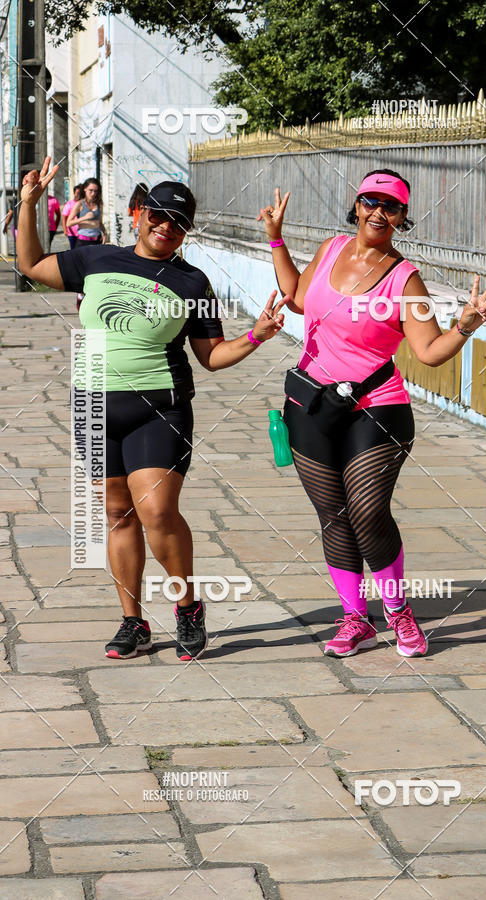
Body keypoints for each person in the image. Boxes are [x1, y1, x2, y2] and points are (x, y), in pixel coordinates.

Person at [17, 158, 287, 661]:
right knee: (118, 514)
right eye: (158, 216)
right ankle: (133, 621)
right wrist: (30, 203)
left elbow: (210, 356)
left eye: (179, 222)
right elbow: (31, 265)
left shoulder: (193, 283)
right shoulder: (95, 260)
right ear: (137, 213)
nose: (167, 227)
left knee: (158, 512)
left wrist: (255, 336)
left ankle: (187, 606)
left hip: (159, 408)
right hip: (95, 407)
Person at [258, 169, 486, 659]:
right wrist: (276, 239)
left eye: (391, 207)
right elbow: (299, 299)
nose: (379, 213)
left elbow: (428, 351)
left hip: (377, 407)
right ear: (358, 204)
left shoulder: (406, 280)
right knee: (334, 516)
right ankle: (354, 619)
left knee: (367, 512)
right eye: (371, 201)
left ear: (404, 217)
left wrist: (466, 325)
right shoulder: (331, 248)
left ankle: (398, 612)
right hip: (312, 402)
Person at [67, 177, 106, 245]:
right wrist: (84, 218)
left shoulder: (99, 204)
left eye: (95, 191)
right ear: (85, 189)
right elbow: (68, 223)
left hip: (97, 241)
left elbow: (100, 223)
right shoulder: (79, 204)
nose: (93, 193)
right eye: (90, 190)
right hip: (83, 241)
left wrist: (105, 233)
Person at [62, 184, 83, 249]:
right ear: (74, 193)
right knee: (73, 250)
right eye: (77, 193)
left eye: (80, 193)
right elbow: (64, 218)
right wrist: (65, 230)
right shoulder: (69, 204)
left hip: (83, 233)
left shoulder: (84, 204)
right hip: (72, 234)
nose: (78, 195)